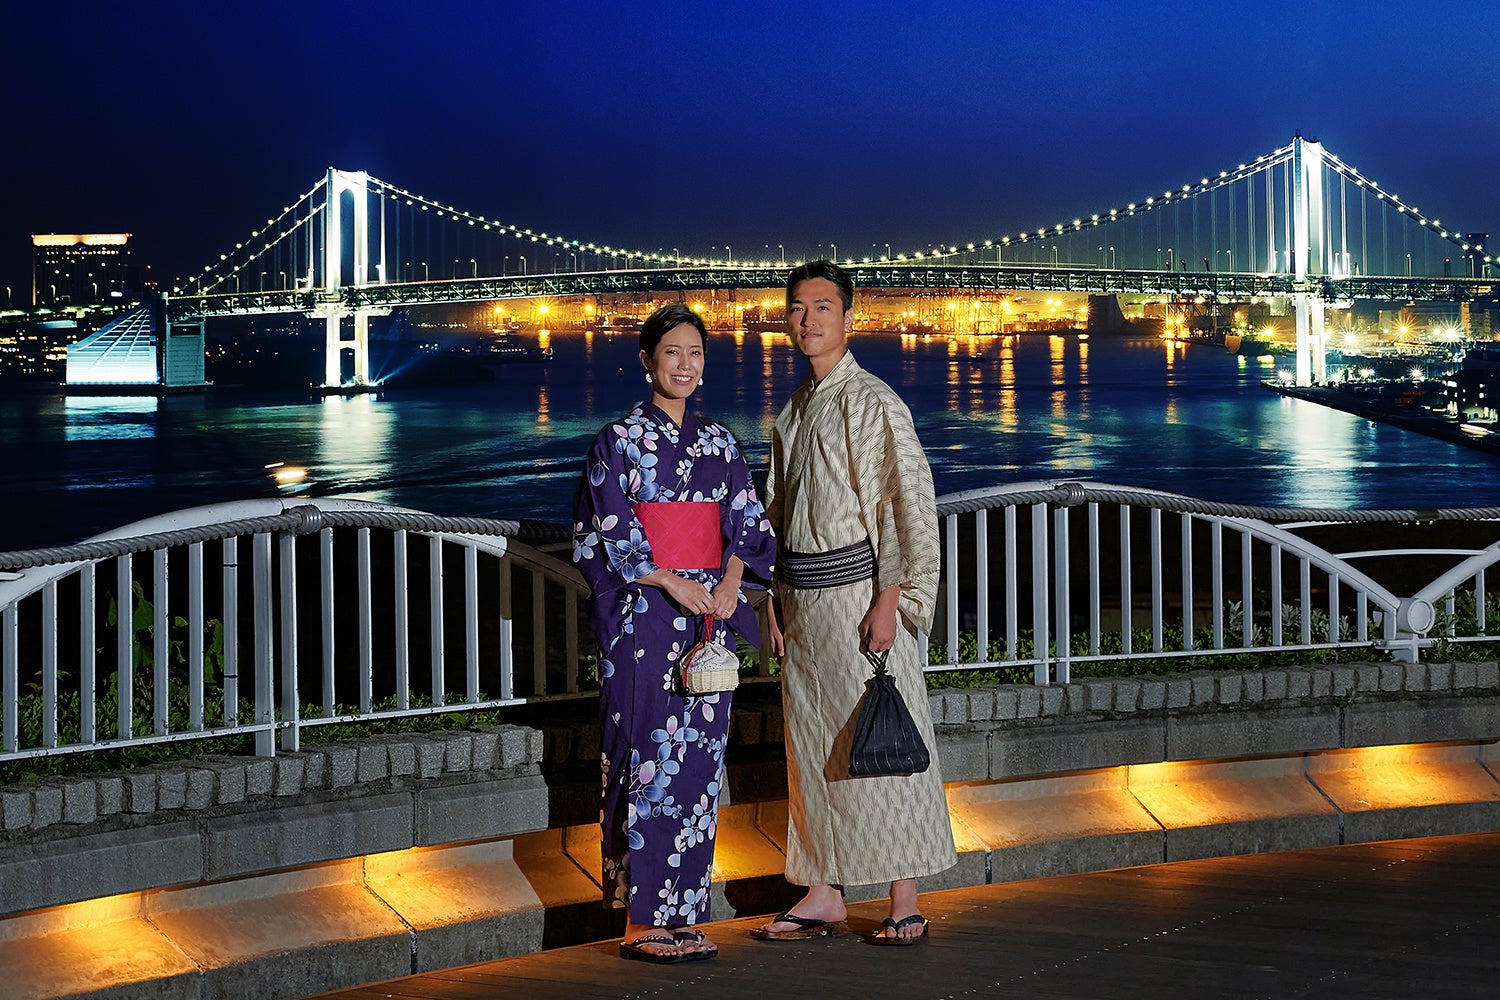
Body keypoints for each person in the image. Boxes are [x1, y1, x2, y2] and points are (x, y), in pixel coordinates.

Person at [754, 260, 956, 945]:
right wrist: (770, 601)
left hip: (863, 597)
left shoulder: (872, 400)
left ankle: (904, 896)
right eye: (798, 309)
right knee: (814, 753)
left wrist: (891, 597)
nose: (807, 320)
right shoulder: (792, 413)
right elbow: (775, 516)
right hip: (804, 604)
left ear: (848, 318)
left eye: (822, 307)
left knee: (888, 742)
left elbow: (902, 503)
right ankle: (822, 891)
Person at [573, 302, 776, 963]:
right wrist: (666, 579)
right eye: (672, 353)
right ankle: (639, 922)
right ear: (647, 361)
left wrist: (726, 584)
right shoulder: (618, 441)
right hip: (644, 616)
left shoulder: (721, 443)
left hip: (707, 615)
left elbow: (746, 523)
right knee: (643, 758)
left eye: (695, 354)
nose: (684, 365)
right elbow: (607, 532)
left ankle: (686, 913)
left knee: (699, 766)